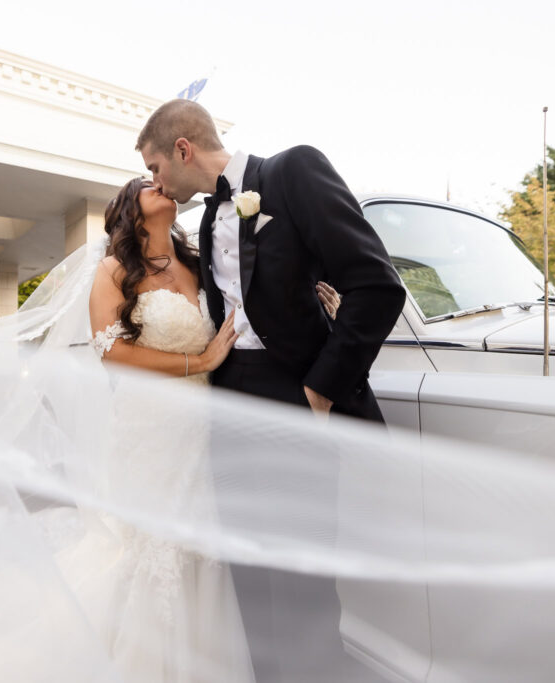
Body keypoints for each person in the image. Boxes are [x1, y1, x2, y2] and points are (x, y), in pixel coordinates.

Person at [136, 100, 406, 680]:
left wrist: (318, 394)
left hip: (296, 398)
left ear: (182, 149)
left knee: (303, 582)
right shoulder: (206, 221)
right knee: (250, 580)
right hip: (229, 407)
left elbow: (378, 287)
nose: (154, 180)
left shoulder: (293, 171)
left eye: (156, 166)